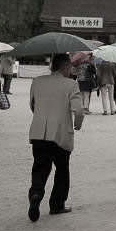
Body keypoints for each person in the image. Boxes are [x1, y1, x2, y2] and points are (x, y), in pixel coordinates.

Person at [27, 53, 84, 222]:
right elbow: (78, 110)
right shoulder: (71, 84)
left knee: (40, 167)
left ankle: (36, 194)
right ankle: (57, 204)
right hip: (59, 133)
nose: (71, 69)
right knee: (62, 169)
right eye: (70, 66)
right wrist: (78, 123)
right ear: (64, 66)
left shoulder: (37, 81)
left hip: (38, 132)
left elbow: (33, 105)